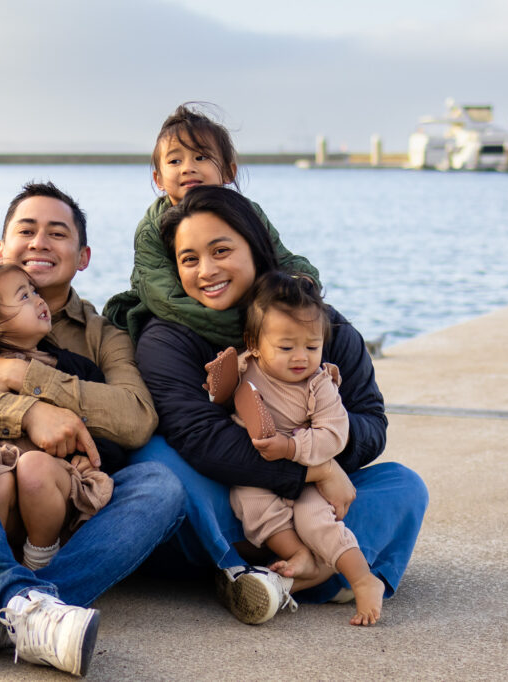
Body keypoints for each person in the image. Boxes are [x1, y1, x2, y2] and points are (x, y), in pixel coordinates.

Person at [0, 182, 185, 676]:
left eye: (58, 233)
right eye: (26, 230)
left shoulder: (101, 334)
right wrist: (22, 415)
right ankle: (30, 607)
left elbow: (136, 418)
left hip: (46, 545)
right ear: (2, 248)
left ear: (82, 255)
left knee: (162, 486)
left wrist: (27, 379)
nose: (40, 242)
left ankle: (4, 608)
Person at [132, 185, 428, 626]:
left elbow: (371, 423)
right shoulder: (168, 338)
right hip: (225, 501)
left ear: (256, 248)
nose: (207, 270)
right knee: (159, 461)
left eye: (221, 250)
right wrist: (313, 468)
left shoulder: (321, 326)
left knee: (404, 486)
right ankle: (310, 569)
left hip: (313, 502)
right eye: (189, 259)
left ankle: (280, 577)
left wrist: (312, 445)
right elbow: (202, 439)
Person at [205, 271, 384, 626]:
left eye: (312, 347)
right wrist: (217, 378)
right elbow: (219, 397)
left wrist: (291, 446)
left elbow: (335, 435)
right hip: (256, 471)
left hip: (306, 473)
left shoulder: (319, 384)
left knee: (317, 521)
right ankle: (299, 555)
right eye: (286, 348)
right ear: (254, 344)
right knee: (251, 506)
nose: (301, 357)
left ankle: (363, 578)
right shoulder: (246, 366)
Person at [0, 262, 121, 572]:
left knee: (34, 467)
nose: (38, 300)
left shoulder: (74, 368)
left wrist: (93, 457)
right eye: (23, 296)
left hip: (54, 490)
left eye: (34, 291)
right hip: (1, 499)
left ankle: (39, 562)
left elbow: (106, 430)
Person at [103, 101, 319, 347]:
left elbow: (282, 260)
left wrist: (300, 287)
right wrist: (248, 323)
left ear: (229, 171)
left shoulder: (247, 214)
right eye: (175, 161)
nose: (188, 168)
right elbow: (163, 295)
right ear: (158, 178)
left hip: (239, 304)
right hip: (176, 318)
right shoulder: (151, 228)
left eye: (201, 157)